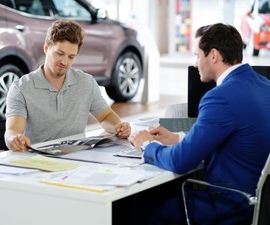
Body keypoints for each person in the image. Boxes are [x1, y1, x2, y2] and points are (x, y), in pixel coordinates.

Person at [129, 23, 270, 224]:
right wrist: (177, 138)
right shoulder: (265, 85)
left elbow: (180, 161)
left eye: (197, 55)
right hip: (259, 205)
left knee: (137, 207)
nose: (195, 64)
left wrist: (146, 145)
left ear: (213, 55)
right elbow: (235, 137)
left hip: (230, 207)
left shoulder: (220, 97)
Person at [5, 19, 131, 151]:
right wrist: (14, 139)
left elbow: (106, 116)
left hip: (78, 159)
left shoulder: (86, 83)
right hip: (40, 159)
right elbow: (12, 131)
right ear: (46, 48)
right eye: (60, 54)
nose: (64, 62)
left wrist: (118, 127)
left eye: (71, 57)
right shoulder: (21, 88)